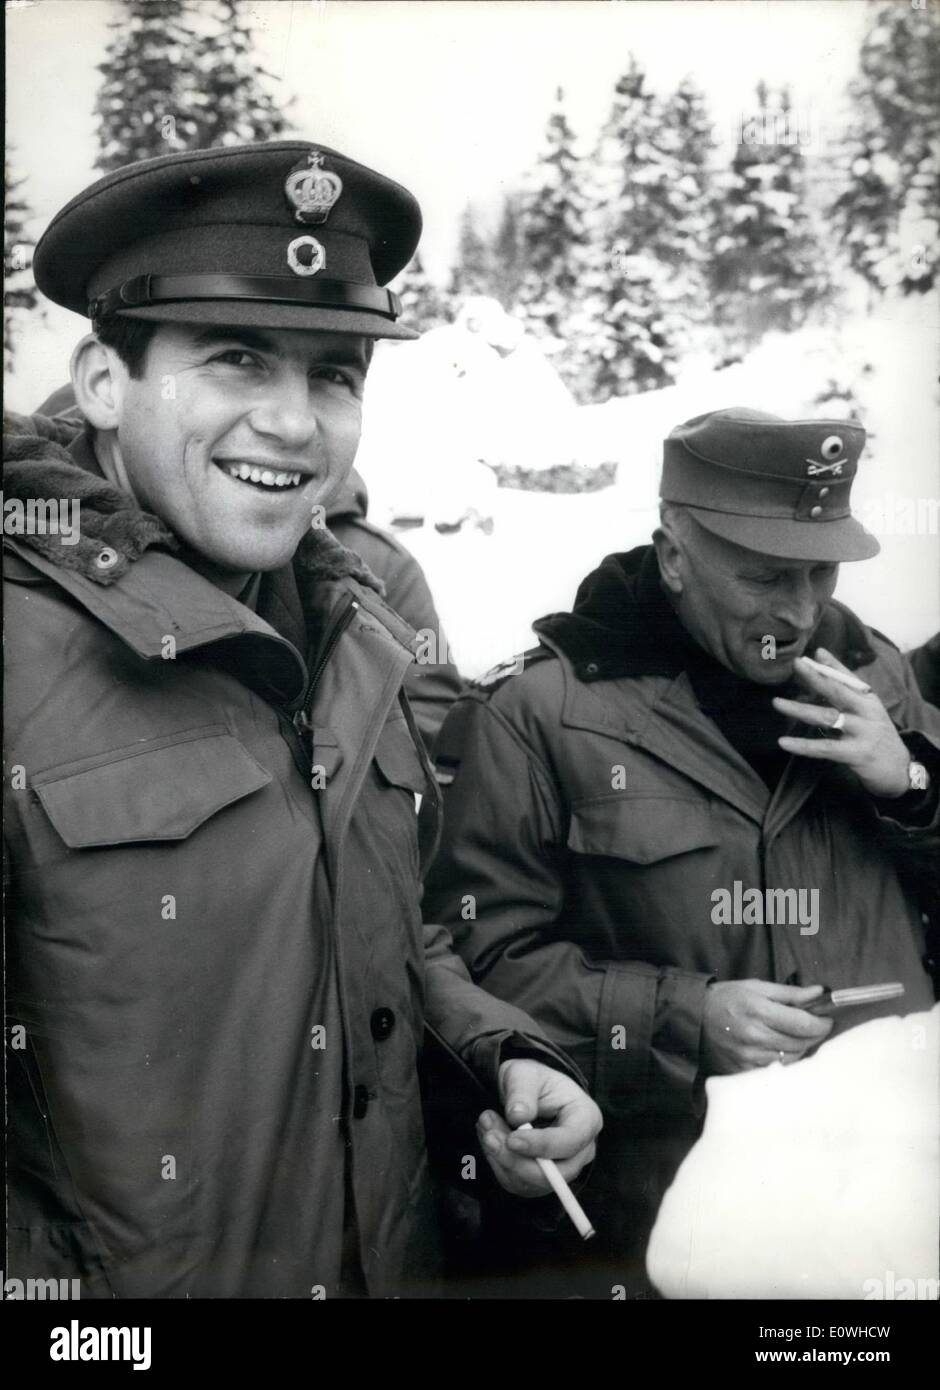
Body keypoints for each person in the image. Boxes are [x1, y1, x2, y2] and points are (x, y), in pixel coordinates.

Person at [2, 140, 601, 1299]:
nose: (295, 424)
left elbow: (380, 936)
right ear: (103, 380)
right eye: (235, 359)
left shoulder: (353, 634)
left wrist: (497, 1059)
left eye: (334, 375)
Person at [423, 406, 940, 1296]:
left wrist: (915, 787)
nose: (802, 609)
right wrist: (684, 1019)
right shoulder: (542, 716)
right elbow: (475, 962)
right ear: (673, 558)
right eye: (766, 576)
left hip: (885, 1199)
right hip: (665, 1211)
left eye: (820, 571)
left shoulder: (879, 680)